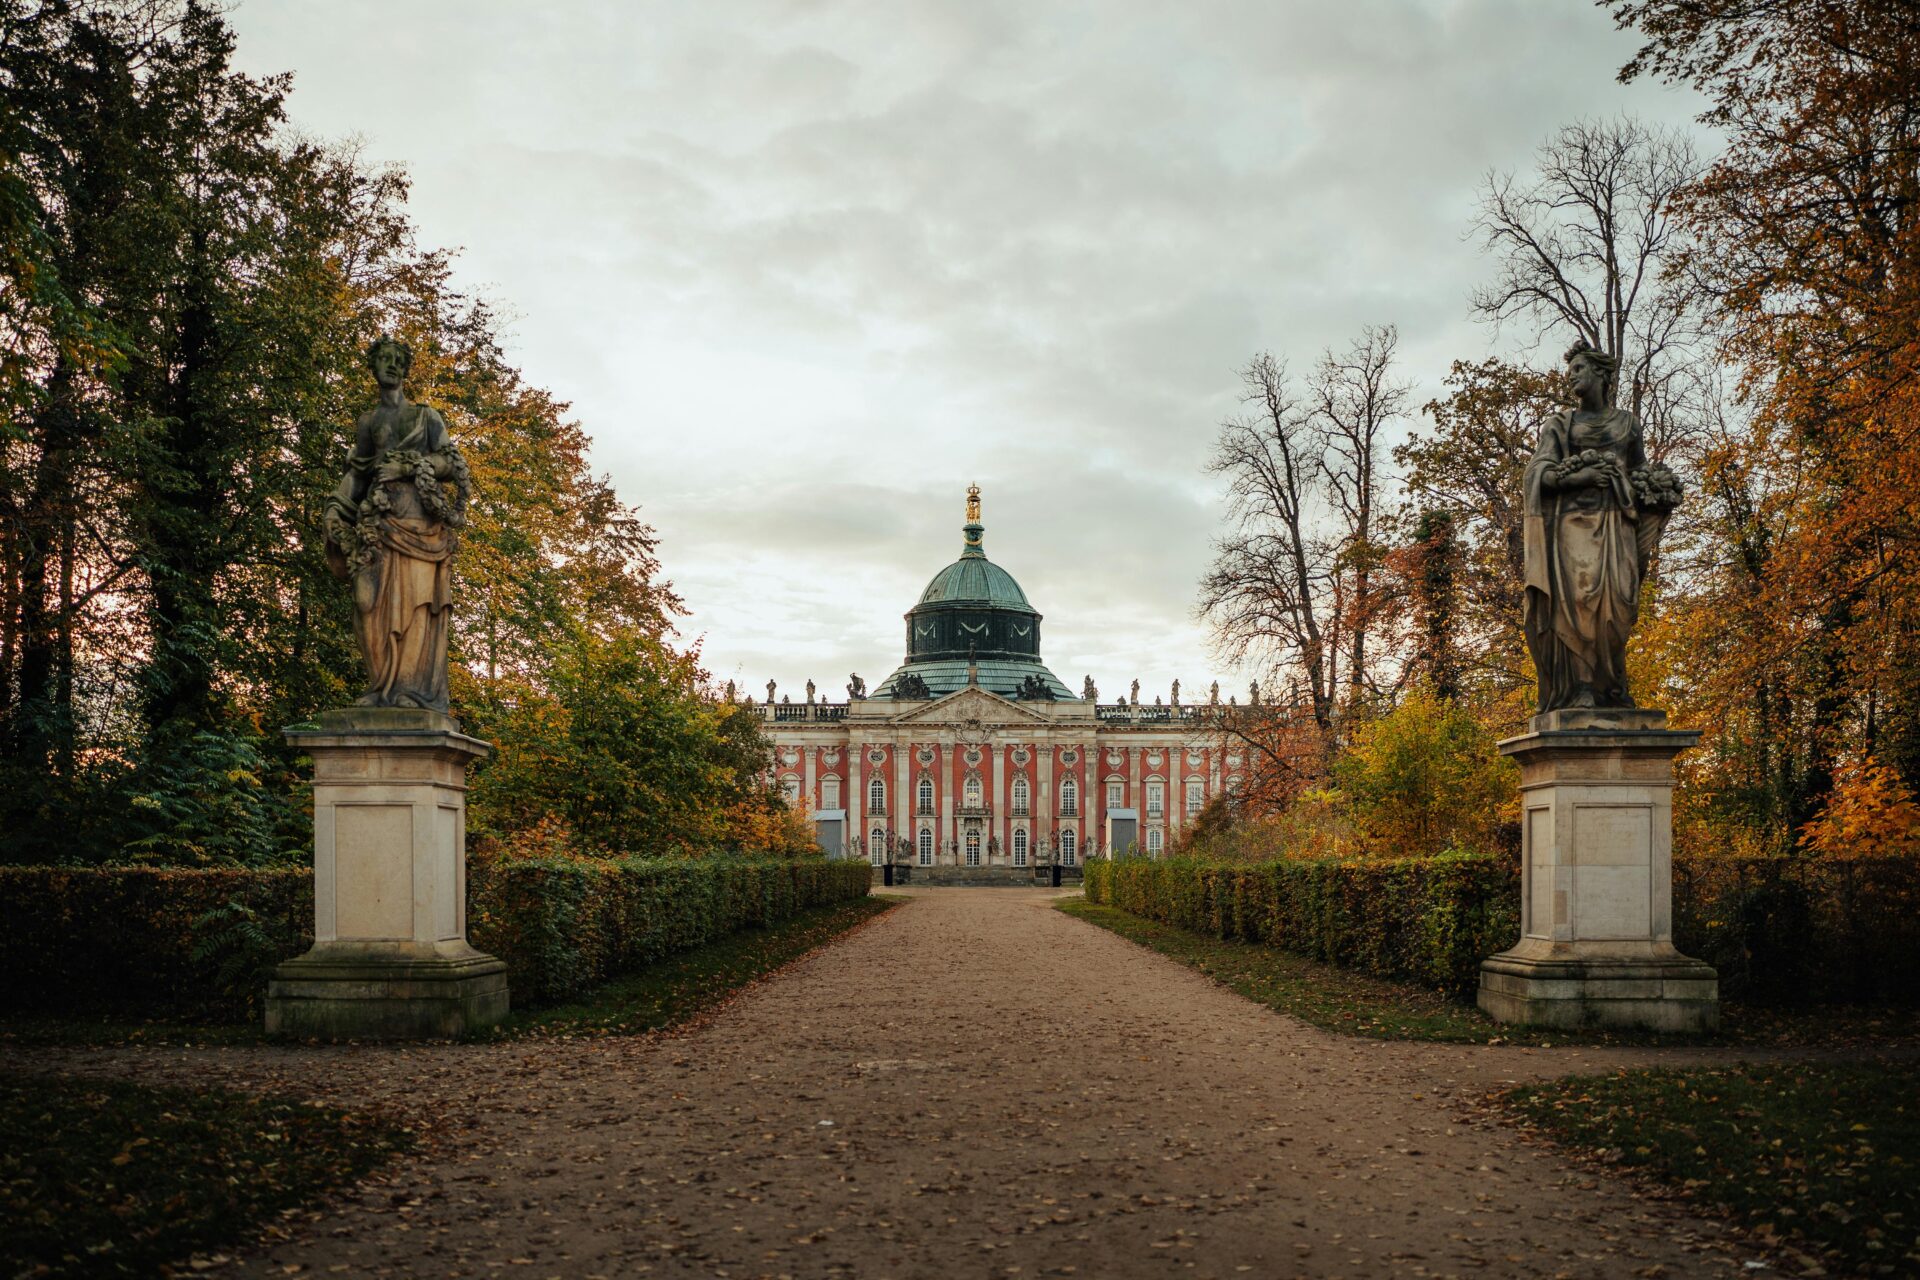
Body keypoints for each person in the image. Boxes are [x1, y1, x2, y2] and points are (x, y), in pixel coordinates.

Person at [1522, 339, 1679, 711]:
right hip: (1572, 528)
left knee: (1618, 608)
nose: (1571, 376)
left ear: (1602, 374)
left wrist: (1658, 487)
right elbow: (1538, 473)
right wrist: (1577, 477)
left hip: (1617, 525)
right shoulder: (1560, 425)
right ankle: (1583, 689)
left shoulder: (1627, 424)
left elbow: (1638, 469)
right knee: (1578, 606)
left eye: (1578, 369)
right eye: (1570, 370)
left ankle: (1612, 688)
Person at [324, 337, 469, 712]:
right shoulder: (369, 422)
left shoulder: (426, 417)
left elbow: (452, 464)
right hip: (378, 526)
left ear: (405, 369)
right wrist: (335, 508)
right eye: (383, 360)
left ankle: (409, 690)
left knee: (417, 608)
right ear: (373, 368)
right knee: (365, 602)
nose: (390, 366)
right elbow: (356, 476)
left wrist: (408, 466)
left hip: (420, 528)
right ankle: (379, 687)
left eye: (396, 361)